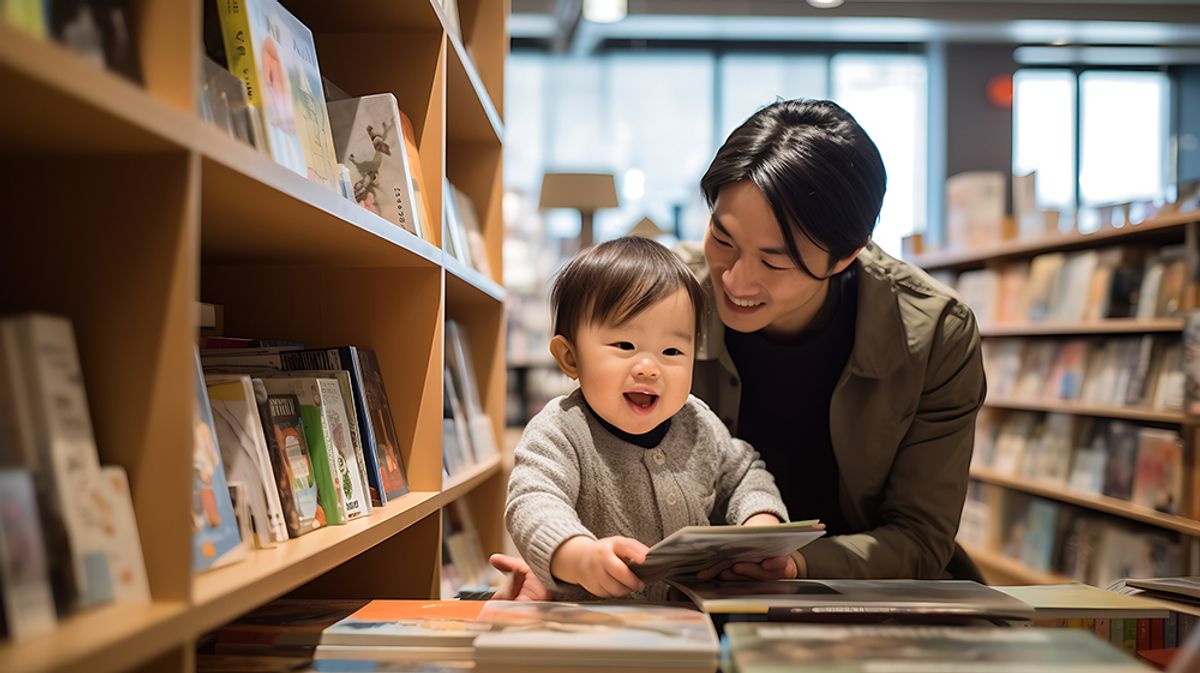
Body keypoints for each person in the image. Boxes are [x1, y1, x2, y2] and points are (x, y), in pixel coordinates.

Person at [492, 98, 986, 599]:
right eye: (723, 239)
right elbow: (548, 482)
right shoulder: (665, 300)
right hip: (684, 605)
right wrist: (566, 554)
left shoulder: (934, 333)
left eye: (775, 262)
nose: (733, 279)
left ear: (846, 256)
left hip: (858, 597)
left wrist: (793, 562)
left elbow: (920, 538)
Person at [505, 236, 791, 600]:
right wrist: (578, 555)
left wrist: (759, 523)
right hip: (593, 631)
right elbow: (533, 501)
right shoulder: (561, 431)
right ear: (570, 357)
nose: (648, 368)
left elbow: (745, 473)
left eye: (672, 350)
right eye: (625, 346)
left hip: (690, 631)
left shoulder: (698, 423)